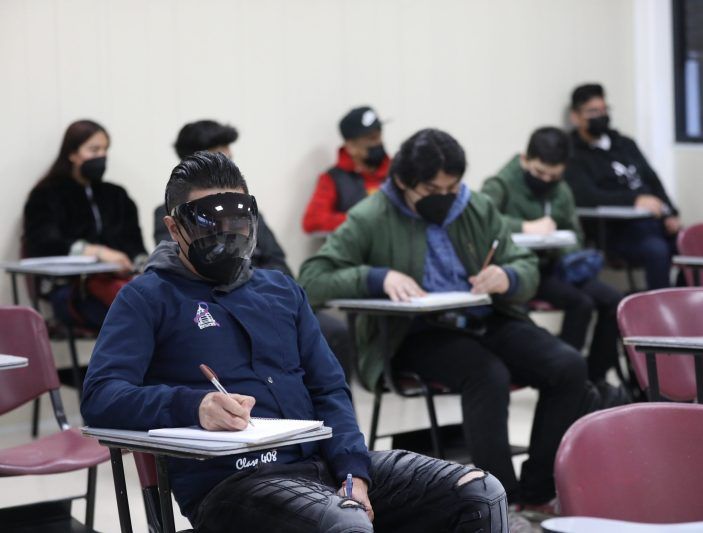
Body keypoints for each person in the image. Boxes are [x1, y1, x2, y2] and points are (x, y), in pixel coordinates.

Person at [81, 152, 509, 533]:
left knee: (479, 493)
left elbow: (329, 389)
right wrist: (193, 407)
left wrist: (353, 471)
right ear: (175, 228)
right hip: (234, 485)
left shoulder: (281, 291)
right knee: (343, 521)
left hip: (323, 470)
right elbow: (101, 396)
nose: (228, 235)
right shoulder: (146, 298)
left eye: (238, 222)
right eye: (211, 225)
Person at [299, 129, 598, 521]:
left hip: (487, 318)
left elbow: (523, 265)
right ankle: (502, 503)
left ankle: (537, 491)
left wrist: (506, 276)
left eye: (452, 186)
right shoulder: (373, 215)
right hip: (413, 333)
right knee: (486, 374)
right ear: (404, 181)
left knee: (568, 366)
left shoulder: (474, 207)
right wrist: (376, 277)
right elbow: (311, 277)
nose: (445, 196)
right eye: (432, 188)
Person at [154, 120, 355, 379]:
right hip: (208, 302)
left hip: (259, 293)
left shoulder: (244, 208)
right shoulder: (172, 215)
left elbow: (276, 259)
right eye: (221, 158)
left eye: (230, 159)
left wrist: (253, 283)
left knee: (333, 335)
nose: (229, 168)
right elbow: (181, 264)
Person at [482, 127, 625, 398]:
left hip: (558, 266)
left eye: (554, 175)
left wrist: (564, 244)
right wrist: (525, 226)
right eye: (539, 173)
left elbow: (575, 231)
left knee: (614, 301)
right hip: (523, 270)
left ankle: (594, 378)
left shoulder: (561, 189)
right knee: (580, 304)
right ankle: (566, 381)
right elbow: (482, 220)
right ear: (525, 159)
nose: (546, 180)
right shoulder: (500, 183)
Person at [23, 119, 147, 328]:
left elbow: (134, 242)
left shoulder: (116, 194)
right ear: (72, 154)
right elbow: (42, 242)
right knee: (133, 315)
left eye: (105, 149)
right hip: (71, 288)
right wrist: (94, 251)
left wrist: (141, 264)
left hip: (120, 283)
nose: (101, 156)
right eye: (93, 149)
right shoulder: (46, 194)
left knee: (156, 304)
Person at [564, 83, 681, 289]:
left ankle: (691, 307)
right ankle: (659, 311)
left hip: (653, 224)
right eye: (593, 111)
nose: (601, 116)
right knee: (657, 250)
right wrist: (634, 200)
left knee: (690, 243)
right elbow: (586, 196)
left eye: (604, 110)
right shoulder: (573, 153)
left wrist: (671, 212)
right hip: (615, 232)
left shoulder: (625, 144)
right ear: (575, 116)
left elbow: (652, 180)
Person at [302, 106, 390, 233]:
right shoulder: (333, 179)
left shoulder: (397, 171)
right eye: (371, 138)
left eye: (379, 135)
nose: (378, 142)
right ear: (351, 146)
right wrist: (362, 220)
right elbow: (312, 221)